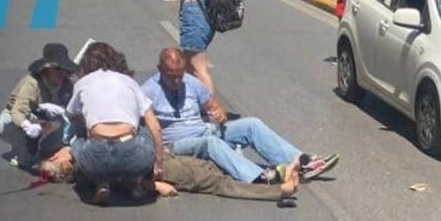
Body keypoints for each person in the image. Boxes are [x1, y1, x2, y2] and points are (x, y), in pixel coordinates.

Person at [140, 48, 339, 184]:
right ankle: (259, 177)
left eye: (179, 75)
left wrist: (220, 112)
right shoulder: (148, 90)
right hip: (177, 145)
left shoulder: (191, 83)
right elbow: (135, 125)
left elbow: (213, 103)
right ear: (160, 70)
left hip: (204, 130)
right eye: (170, 75)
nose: (175, 80)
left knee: (251, 124)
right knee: (211, 142)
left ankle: (301, 163)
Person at [65, 42, 165, 206]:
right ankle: (136, 183)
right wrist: (158, 164)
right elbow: (156, 128)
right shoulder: (129, 82)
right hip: (133, 156)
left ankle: (101, 183)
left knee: (78, 140)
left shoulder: (82, 83)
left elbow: (71, 115)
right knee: (141, 127)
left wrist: (84, 134)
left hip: (95, 158)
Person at [39, 146, 299, 202]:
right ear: (60, 161)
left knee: (214, 165)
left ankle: (271, 178)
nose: (59, 152)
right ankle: (280, 190)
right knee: (220, 184)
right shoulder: (86, 168)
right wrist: (156, 186)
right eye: (57, 157)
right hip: (167, 171)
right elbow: (121, 179)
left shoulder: (83, 153)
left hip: (165, 158)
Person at [0, 43, 77, 170]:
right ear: (46, 68)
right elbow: (18, 111)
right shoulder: (32, 83)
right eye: (57, 69)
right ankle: (23, 147)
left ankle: (39, 146)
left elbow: (72, 112)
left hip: (47, 123)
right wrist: (27, 126)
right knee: (28, 161)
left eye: (64, 69)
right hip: (19, 121)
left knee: (67, 136)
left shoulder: (67, 86)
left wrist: (63, 112)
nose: (61, 73)